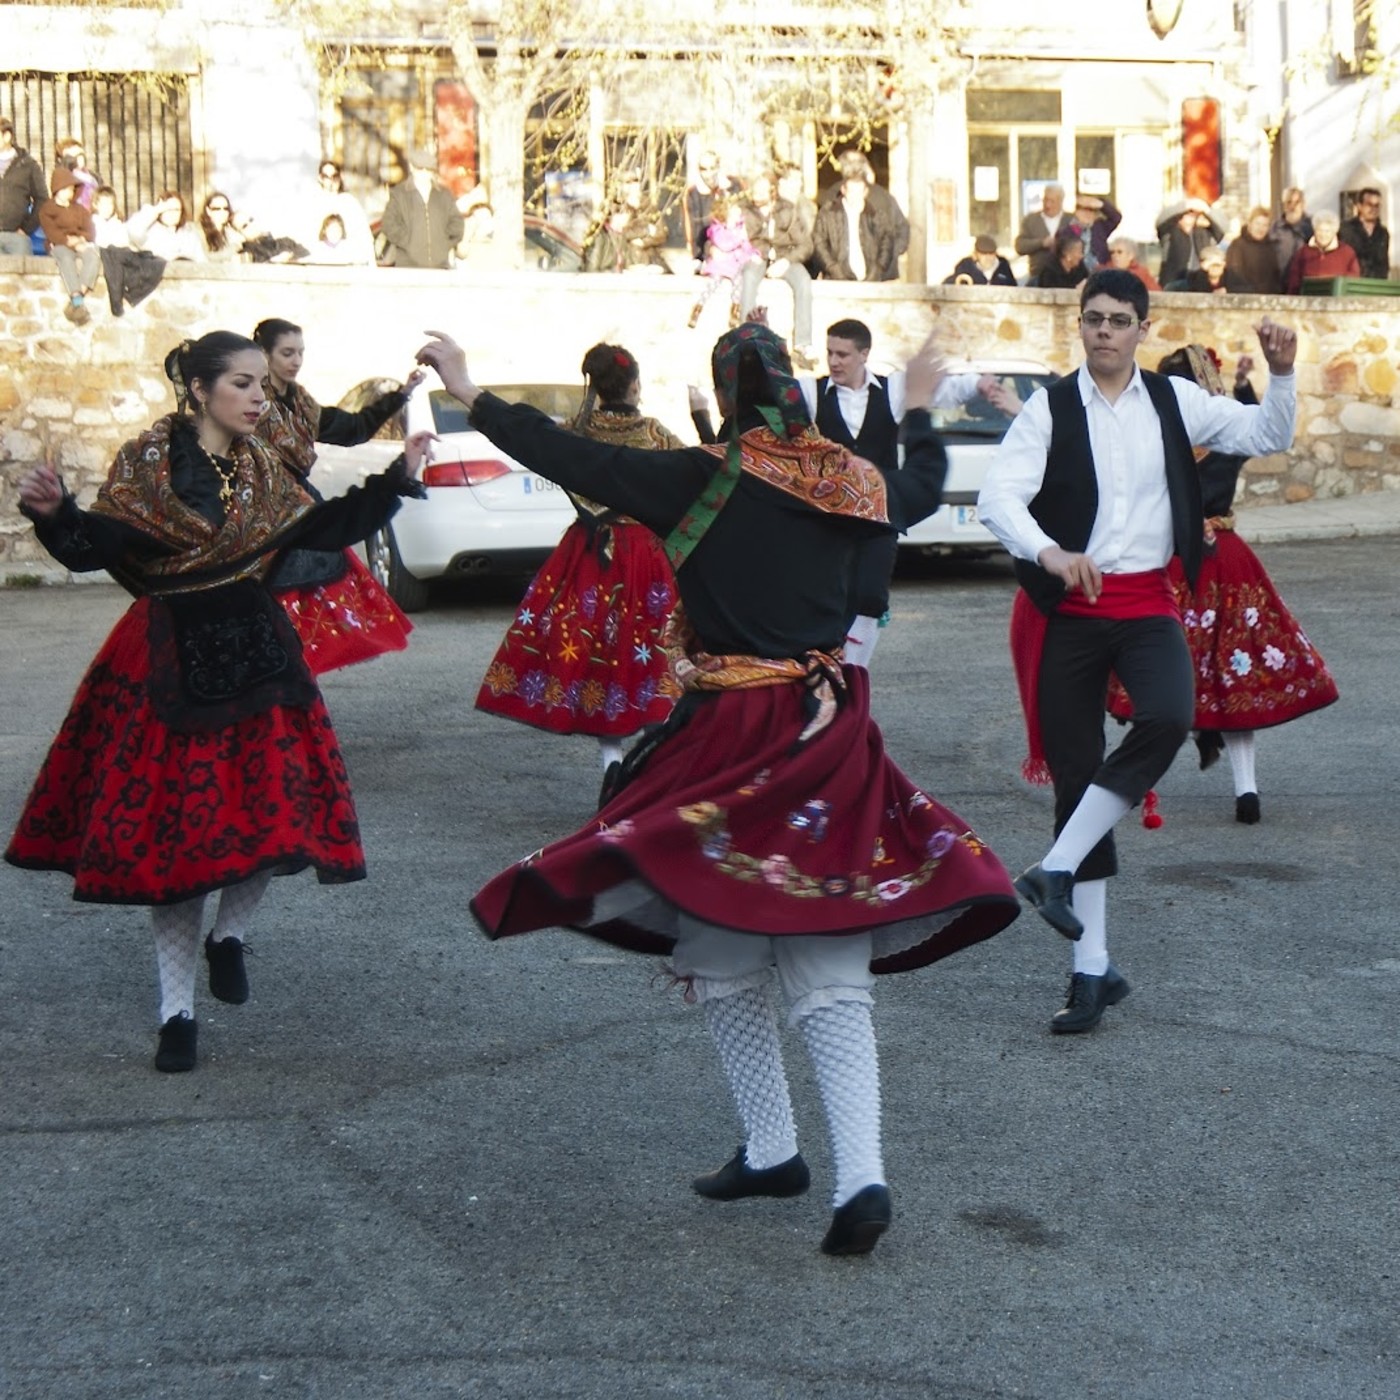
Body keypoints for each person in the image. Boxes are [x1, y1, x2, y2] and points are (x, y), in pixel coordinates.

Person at [417, 320, 1021, 1258]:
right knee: (825, 943)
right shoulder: (851, 477)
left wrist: (472, 389)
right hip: (827, 727)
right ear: (791, 386)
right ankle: (842, 1169)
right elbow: (921, 490)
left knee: (721, 929)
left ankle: (786, 1149)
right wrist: (911, 410)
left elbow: (563, 451)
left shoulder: (700, 475)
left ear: (729, 392)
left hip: (728, 733)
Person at [5, 330, 430, 1073]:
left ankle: (229, 937)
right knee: (176, 849)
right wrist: (56, 516)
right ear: (200, 390)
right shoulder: (146, 461)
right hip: (168, 654)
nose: (261, 397)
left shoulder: (266, 465)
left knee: (277, 815)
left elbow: (320, 528)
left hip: (258, 649)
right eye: (244, 384)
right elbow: (95, 544)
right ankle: (177, 1015)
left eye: (263, 384)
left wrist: (394, 479)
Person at [976, 268, 1298, 1035]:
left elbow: (1267, 435)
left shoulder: (1173, 400)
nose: (1105, 332)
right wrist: (1050, 552)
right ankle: (1092, 974)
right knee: (1077, 781)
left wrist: (1282, 376)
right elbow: (998, 499)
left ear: (1142, 330)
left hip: (1148, 601)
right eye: (1094, 319)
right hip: (1069, 612)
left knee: (1167, 716)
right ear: (1079, 324)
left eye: (1120, 320)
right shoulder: (1052, 407)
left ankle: (1054, 868)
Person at [1106, 346, 1338, 824]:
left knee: (1160, 676)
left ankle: (1135, 786)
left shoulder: (1156, 438)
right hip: (1225, 560)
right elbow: (1259, 424)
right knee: (1234, 674)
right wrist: (1248, 386)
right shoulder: (1224, 440)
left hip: (1172, 561)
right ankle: (1245, 789)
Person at [475, 343, 686, 779]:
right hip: (646, 554)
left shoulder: (573, 430)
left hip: (589, 556)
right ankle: (658, 759)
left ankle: (611, 758)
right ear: (634, 386)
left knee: (598, 653)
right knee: (653, 648)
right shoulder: (654, 433)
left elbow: (536, 445)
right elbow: (690, 481)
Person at [252, 317, 423, 674]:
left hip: (300, 505)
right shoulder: (250, 403)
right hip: (259, 510)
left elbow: (353, 429)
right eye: (287, 352)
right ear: (264, 354)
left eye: (300, 352)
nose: (296, 360)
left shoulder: (301, 403)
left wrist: (401, 395)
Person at [738, 170, 816, 365]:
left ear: (772, 191)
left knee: (803, 281)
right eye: (754, 191)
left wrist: (787, 261)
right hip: (756, 256)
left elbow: (806, 245)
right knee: (748, 277)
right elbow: (736, 237)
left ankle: (803, 344)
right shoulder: (745, 211)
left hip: (784, 256)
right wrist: (751, 254)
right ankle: (745, 337)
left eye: (761, 191)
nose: (756, 195)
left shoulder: (787, 211)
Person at [812, 151, 907, 282]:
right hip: (847, 276)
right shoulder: (831, 204)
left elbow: (893, 235)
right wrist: (833, 268)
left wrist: (884, 262)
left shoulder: (880, 202)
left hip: (877, 277)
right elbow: (820, 240)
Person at [380, 148, 463, 269]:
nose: (424, 173)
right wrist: (409, 242)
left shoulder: (444, 195)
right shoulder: (399, 194)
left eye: (428, 169)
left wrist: (444, 243)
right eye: (420, 168)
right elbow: (389, 225)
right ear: (412, 167)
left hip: (440, 267)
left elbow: (457, 224)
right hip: (408, 267)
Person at [90, 186, 166, 316]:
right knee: (114, 256)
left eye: (110, 204)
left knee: (154, 262)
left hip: (123, 253)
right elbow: (101, 241)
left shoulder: (118, 223)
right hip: (109, 254)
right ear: (95, 205)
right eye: (104, 204)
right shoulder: (94, 222)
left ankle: (132, 294)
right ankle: (117, 302)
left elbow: (126, 239)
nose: (108, 208)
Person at [37, 167, 100, 325]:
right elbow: (51, 232)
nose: (71, 193)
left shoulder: (79, 209)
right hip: (59, 244)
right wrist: (69, 242)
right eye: (67, 189)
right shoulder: (47, 209)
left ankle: (78, 297)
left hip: (80, 243)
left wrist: (80, 240)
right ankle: (76, 298)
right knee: (65, 257)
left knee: (92, 256)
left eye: (72, 189)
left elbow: (90, 230)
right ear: (58, 189)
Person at [687, 195, 759, 329]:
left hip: (734, 265)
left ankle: (735, 310)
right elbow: (723, 244)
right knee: (711, 284)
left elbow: (746, 247)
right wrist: (738, 238)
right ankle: (698, 308)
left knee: (739, 284)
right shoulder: (718, 229)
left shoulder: (740, 230)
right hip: (720, 265)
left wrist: (753, 254)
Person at [306, 158, 376, 267]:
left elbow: (365, 239)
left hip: (347, 266)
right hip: (321, 266)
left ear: (340, 177)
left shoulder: (349, 204)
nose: (331, 181)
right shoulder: (314, 204)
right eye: (326, 176)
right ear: (320, 178)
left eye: (335, 176)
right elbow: (308, 240)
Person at [0, 115, 49, 256]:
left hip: (17, 236)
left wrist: (26, 229)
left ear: (7, 136)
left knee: (22, 276)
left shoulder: (28, 165)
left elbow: (42, 199)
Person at [683, 150, 739, 266]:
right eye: (704, 169)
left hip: (734, 247)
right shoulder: (693, 193)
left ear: (718, 167)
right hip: (707, 250)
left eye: (712, 168)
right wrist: (696, 256)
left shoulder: (732, 187)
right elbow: (693, 227)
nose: (708, 173)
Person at [1156, 197, 1227, 287]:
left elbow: (1223, 228)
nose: (1190, 215)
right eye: (1186, 213)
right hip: (1172, 284)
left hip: (1200, 286)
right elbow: (1161, 220)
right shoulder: (1168, 233)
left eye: (1193, 213)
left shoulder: (1206, 234)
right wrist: (1185, 206)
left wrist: (1206, 210)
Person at [1284, 210, 1360, 294]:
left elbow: (1353, 280)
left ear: (1335, 232)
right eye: (1320, 230)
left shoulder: (1347, 253)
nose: (1323, 235)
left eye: (1327, 231)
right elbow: (1294, 282)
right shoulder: (1303, 252)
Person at [128, 191, 205, 262]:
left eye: (176, 210)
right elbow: (133, 230)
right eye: (167, 209)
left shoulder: (189, 235)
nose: (172, 213)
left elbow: (202, 261)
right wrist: (156, 210)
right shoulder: (150, 232)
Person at [1014, 183, 1067, 283]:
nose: (1048, 205)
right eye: (1045, 200)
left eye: (1052, 201)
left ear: (1061, 201)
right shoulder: (1030, 220)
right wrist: (1041, 243)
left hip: (1066, 278)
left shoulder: (1071, 220)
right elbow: (1019, 246)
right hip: (1037, 277)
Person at [1223, 207, 1284, 294]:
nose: (1260, 228)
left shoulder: (1270, 248)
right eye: (1258, 224)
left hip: (1267, 299)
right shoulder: (1237, 246)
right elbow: (1234, 275)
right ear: (1250, 224)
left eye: (1265, 225)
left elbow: (1275, 277)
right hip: (1244, 298)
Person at [1338, 188, 1390, 280]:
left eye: (1377, 205)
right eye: (1369, 205)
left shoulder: (1383, 233)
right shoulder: (1346, 229)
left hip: (1377, 285)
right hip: (1352, 284)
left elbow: (1384, 263)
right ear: (1359, 206)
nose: (1373, 209)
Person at [1064, 193, 1122, 271]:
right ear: (1076, 211)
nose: (1087, 214)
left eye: (1091, 210)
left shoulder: (1100, 227)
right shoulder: (1067, 230)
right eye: (1084, 209)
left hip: (1100, 271)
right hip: (1076, 273)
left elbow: (1116, 217)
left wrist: (1101, 204)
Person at [944, 233, 1016, 287]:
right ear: (975, 254)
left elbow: (1014, 289)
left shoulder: (1003, 268)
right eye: (983, 253)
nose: (988, 257)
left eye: (991, 253)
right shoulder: (965, 267)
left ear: (996, 253)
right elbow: (948, 286)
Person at [1270, 187, 1313, 275]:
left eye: (1297, 202)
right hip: (1281, 283)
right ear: (1284, 205)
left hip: (1305, 281)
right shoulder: (1275, 228)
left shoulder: (1312, 227)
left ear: (1303, 204)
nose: (1292, 206)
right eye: (1289, 202)